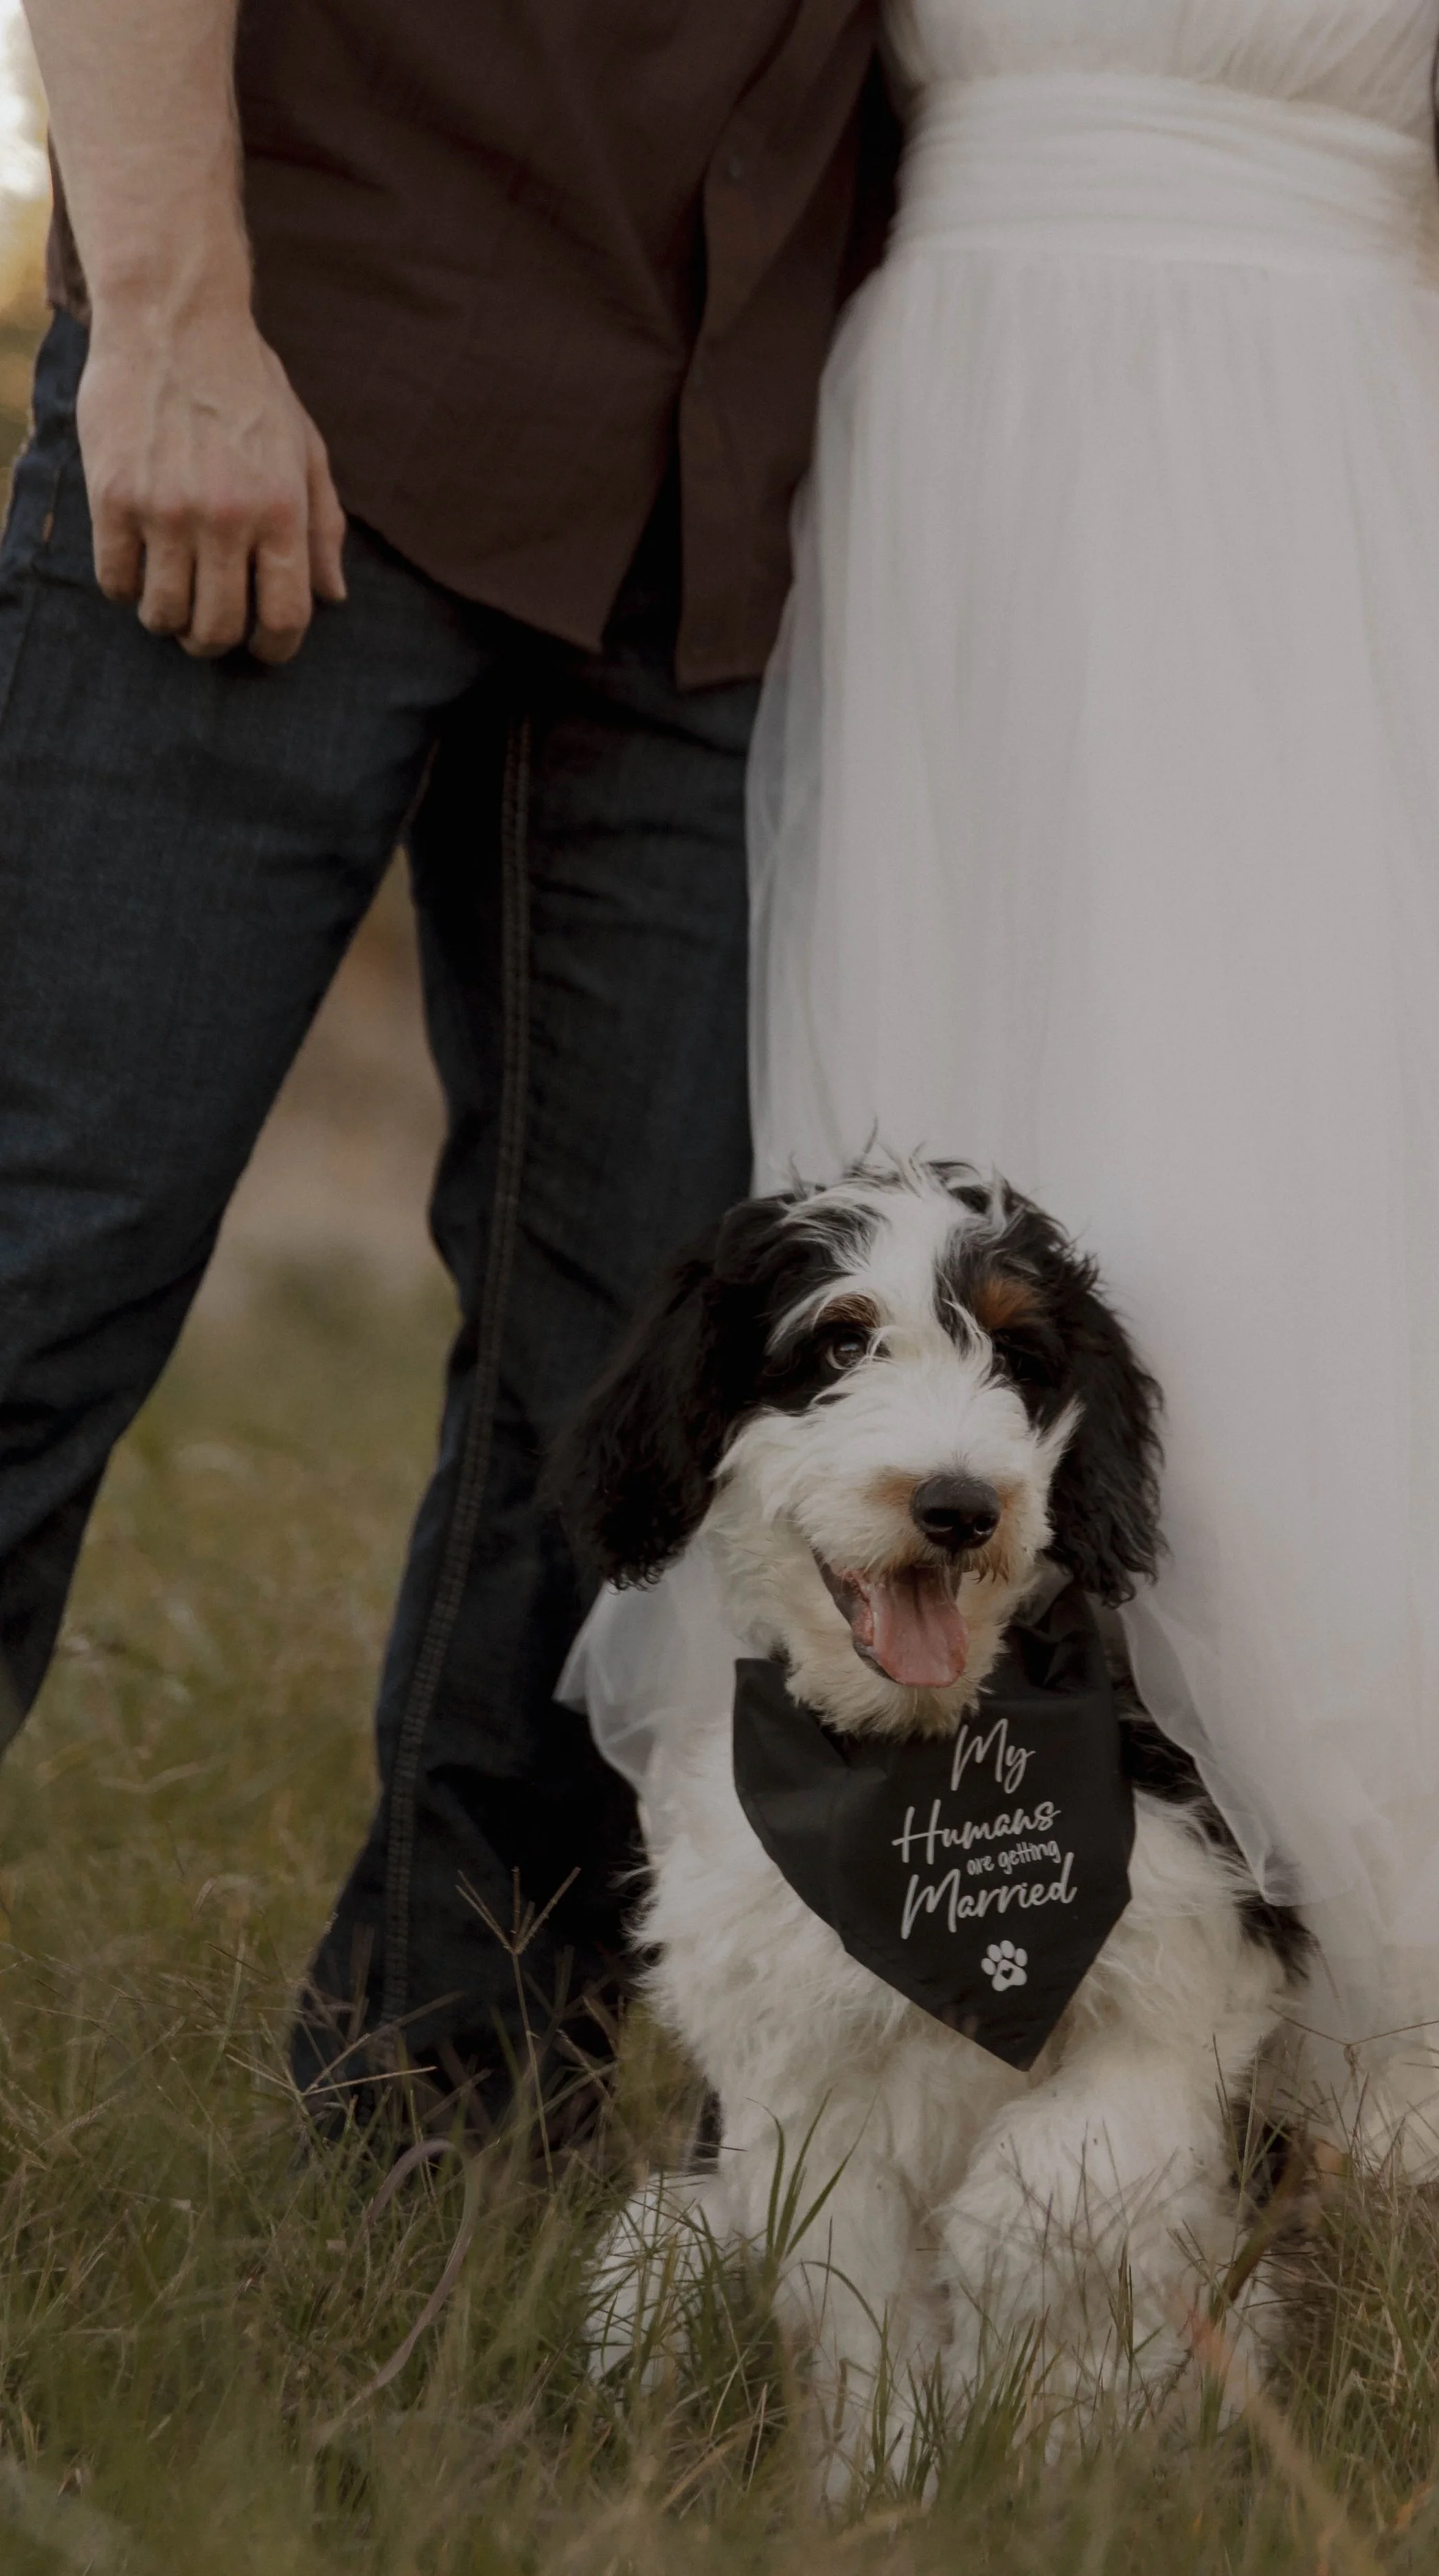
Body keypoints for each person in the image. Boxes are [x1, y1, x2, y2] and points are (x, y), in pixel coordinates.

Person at [582, 0, 1439, 2167]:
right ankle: (895, 1982)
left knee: (1297, 1256)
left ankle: (1316, 2014)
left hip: (1330, 539)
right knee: (925, 1237)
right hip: (950, 519)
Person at [0, 0, 894, 2140]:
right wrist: (169, 308)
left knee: (622, 1391)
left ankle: (449, 2091)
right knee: (48, 1242)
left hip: (715, 536)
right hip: (300, 390)